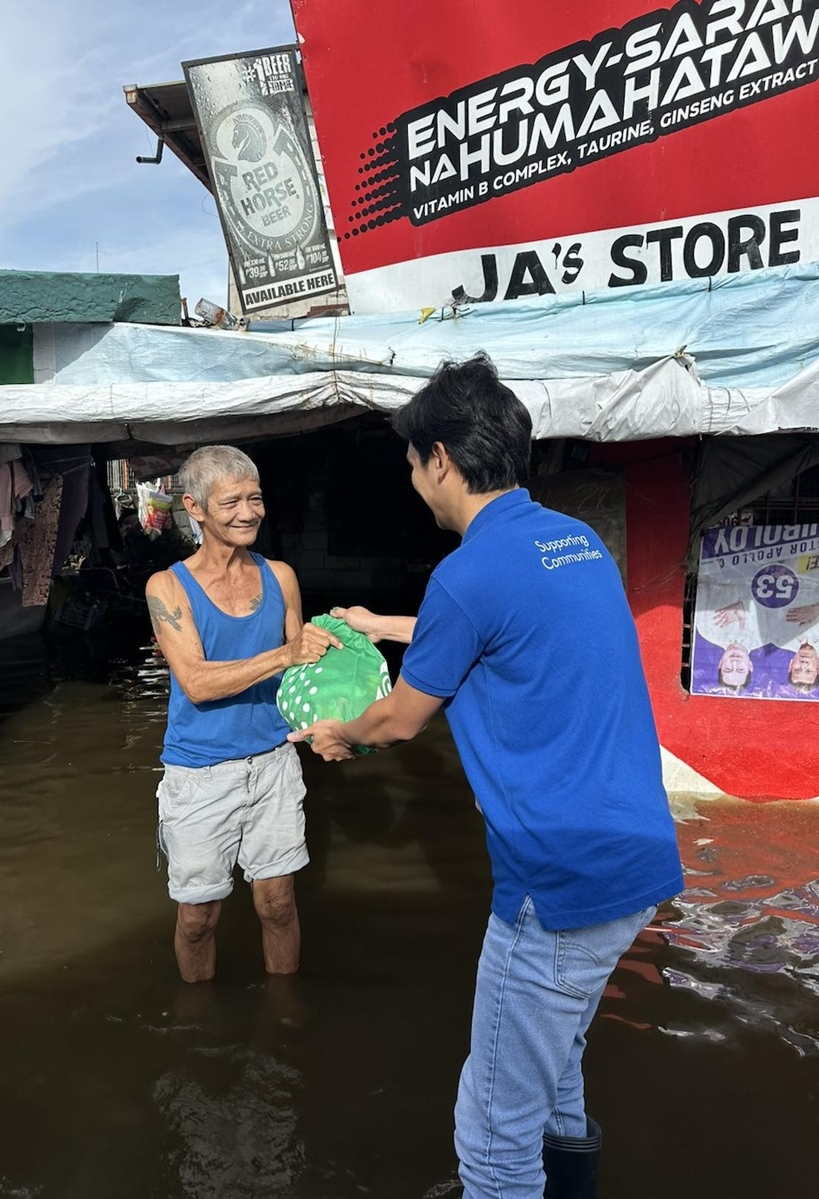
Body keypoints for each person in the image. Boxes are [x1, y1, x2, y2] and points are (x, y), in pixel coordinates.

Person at [290, 354, 684, 1199]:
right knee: (561, 1063)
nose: (412, 480)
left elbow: (399, 717)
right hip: (637, 861)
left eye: (410, 463)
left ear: (442, 459)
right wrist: (382, 623)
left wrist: (342, 736)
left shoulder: (465, 574)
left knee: (493, 1126)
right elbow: (494, 625)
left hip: (557, 881)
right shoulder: (571, 541)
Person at [145, 445, 341, 984]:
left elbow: (306, 672)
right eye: (231, 501)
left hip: (275, 763)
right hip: (200, 774)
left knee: (278, 904)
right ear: (195, 508)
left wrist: (346, 710)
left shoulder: (280, 577)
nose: (248, 512)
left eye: (255, 498)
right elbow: (198, 683)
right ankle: (196, 1025)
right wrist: (286, 653)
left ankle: (285, 1023)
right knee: (197, 918)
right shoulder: (166, 587)